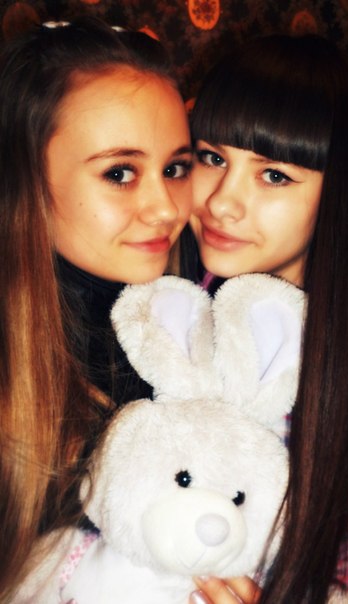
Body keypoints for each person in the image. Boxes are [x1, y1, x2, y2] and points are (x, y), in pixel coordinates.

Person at [186, 33, 348, 603]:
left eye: (274, 175)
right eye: (212, 158)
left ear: (338, 190)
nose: (221, 202)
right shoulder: (181, 303)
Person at [0, 16, 193, 602]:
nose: (166, 208)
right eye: (120, 172)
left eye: (175, 168)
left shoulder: (196, 339)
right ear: (26, 181)